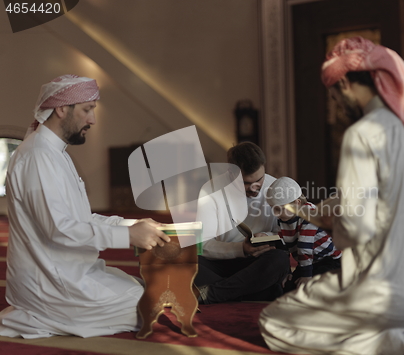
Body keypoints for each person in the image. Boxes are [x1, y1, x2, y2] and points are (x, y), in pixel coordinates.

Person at [259, 37, 404, 355]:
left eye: (335, 95)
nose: (337, 104)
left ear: (346, 83)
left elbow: (356, 230)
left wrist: (324, 220)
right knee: (316, 293)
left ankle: (392, 342)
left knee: (273, 321)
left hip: (383, 295)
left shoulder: (364, 134)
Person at [0, 75, 170, 339]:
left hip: (68, 271)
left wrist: (132, 225)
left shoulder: (55, 154)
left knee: (144, 287)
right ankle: (40, 315)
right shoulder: (38, 156)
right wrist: (128, 236)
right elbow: (59, 230)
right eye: (87, 110)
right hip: (50, 283)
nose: (92, 120)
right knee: (151, 303)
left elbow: (81, 218)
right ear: (61, 109)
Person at [194, 142, 290, 304]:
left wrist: (266, 237)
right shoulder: (209, 190)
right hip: (220, 263)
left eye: (260, 179)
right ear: (230, 174)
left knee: (280, 260)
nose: (255, 187)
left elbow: (286, 234)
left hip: (257, 263)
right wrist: (241, 249)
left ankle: (213, 293)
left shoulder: (275, 187)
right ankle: (256, 291)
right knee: (183, 260)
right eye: (246, 182)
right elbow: (202, 245)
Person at [266, 177, 341, 292]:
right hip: (308, 261)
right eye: (273, 209)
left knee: (311, 288)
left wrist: (306, 276)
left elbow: (304, 246)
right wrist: (287, 272)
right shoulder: (282, 220)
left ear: (297, 203)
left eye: (279, 209)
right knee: (288, 288)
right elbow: (283, 246)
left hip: (330, 260)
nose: (276, 214)